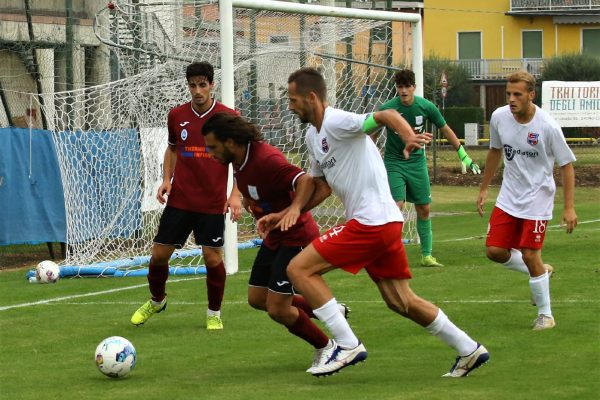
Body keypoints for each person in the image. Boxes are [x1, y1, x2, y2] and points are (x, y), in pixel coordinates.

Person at [261, 67, 489, 378]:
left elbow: (384, 116)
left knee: (298, 269)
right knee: (401, 301)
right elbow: (319, 184)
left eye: (293, 99)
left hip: (372, 222)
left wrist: (408, 135)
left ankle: (346, 343)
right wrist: (291, 211)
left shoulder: (338, 121)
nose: (290, 105)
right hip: (383, 223)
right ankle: (469, 349)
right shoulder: (313, 135)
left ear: (311, 97)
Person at [200, 112, 349, 366]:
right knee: (257, 299)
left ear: (231, 142)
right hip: (276, 236)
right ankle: (331, 310)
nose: (210, 153)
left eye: (213, 147)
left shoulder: (266, 159)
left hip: (297, 236)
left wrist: (293, 210)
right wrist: (249, 200)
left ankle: (327, 347)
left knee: (278, 308)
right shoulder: (238, 159)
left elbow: (304, 181)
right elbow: (254, 185)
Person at [130, 62, 242, 330]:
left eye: (203, 85)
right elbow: (172, 150)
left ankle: (214, 313)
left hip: (212, 203)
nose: (197, 91)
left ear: (212, 85)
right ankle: (157, 301)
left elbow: (240, 159)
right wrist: (166, 180)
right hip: (180, 200)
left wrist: (235, 194)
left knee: (213, 258)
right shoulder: (176, 115)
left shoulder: (228, 118)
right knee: (158, 255)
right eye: (193, 85)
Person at [477, 71, 577, 331]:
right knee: (494, 251)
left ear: (531, 95)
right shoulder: (499, 117)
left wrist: (568, 207)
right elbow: (495, 151)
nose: (511, 99)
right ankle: (542, 271)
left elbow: (566, 165)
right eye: (508, 94)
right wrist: (484, 188)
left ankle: (546, 315)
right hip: (509, 197)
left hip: (538, 199)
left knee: (531, 254)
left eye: (517, 94)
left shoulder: (547, 126)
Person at [375, 69, 481, 267]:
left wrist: (463, 156)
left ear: (414, 87)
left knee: (424, 208)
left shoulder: (426, 107)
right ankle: (389, 253)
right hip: (394, 163)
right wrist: (370, 156)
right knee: (396, 206)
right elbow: (372, 129)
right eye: (400, 87)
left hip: (417, 163)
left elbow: (446, 129)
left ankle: (426, 255)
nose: (404, 91)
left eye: (407, 86)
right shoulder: (388, 109)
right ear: (396, 88)